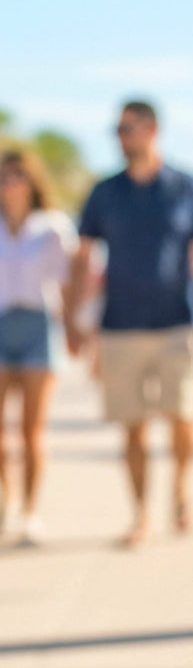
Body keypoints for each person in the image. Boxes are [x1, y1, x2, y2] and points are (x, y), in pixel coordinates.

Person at [63, 100, 193, 546]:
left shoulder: (186, 187)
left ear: (153, 129)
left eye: (129, 128)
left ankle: (179, 488)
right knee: (133, 426)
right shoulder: (104, 192)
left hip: (178, 324)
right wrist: (72, 320)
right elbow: (82, 260)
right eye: (117, 130)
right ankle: (140, 514)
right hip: (119, 328)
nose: (121, 137)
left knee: (183, 415)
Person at [0, 148, 78, 544]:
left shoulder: (52, 226)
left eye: (16, 176)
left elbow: (72, 278)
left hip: (39, 326)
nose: (9, 184)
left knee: (31, 429)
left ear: (32, 182)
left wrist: (79, 328)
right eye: (3, 177)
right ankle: (5, 503)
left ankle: (30, 511)